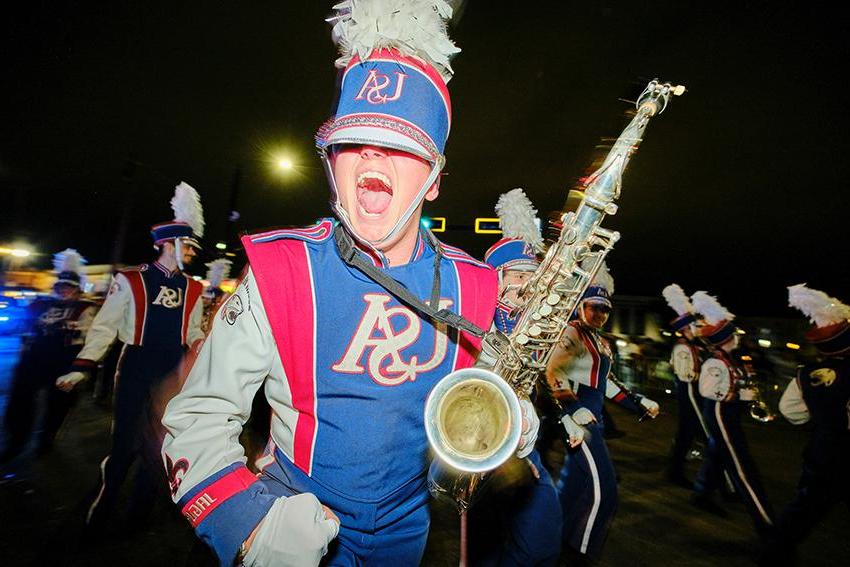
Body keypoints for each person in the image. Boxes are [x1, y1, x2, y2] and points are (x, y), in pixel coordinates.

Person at [160, 4, 537, 566]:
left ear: (433, 178)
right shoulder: (281, 269)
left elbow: (483, 398)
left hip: (408, 533)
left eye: (401, 144)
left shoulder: (475, 285)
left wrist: (510, 415)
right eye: (354, 139)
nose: (373, 153)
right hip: (291, 516)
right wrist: (247, 524)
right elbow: (198, 418)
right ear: (331, 161)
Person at [54, 182, 205, 529]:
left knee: (159, 447)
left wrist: (203, 346)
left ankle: (139, 516)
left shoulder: (194, 288)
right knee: (124, 445)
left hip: (173, 370)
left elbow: (193, 330)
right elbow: (105, 327)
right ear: (169, 244)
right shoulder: (130, 280)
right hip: (135, 364)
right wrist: (82, 368)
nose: (193, 253)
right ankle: (103, 508)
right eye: (189, 247)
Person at [468, 188, 580, 567]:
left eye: (533, 277)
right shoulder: (475, 322)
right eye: (518, 275)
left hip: (525, 444)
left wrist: (563, 417)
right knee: (488, 547)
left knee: (539, 544)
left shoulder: (527, 327)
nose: (527, 285)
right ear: (497, 278)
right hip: (483, 451)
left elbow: (537, 380)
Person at [546, 265, 659, 563]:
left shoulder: (599, 340)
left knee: (573, 488)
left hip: (591, 419)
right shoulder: (571, 332)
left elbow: (604, 383)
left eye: (604, 310)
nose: (599, 314)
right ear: (580, 305)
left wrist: (638, 403)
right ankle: (580, 554)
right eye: (593, 307)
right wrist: (573, 408)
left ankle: (551, 544)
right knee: (604, 490)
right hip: (580, 423)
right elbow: (551, 370)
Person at [765, 284, 850, 563]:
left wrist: (822, 413)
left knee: (805, 506)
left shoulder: (806, 374)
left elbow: (790, 412)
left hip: (825, 451)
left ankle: (776, 551)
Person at [690, 291, 775, 537]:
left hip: (728, 413)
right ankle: (767, 527)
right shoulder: (716, 362)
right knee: (743, 468)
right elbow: (707, 391)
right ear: (726, 338)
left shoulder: (732, 359)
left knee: (718, 453)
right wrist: (738, 396)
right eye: (733, 335)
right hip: (719, 413)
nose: (737, 338)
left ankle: (702, 491)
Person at [1, 250, 97, 464]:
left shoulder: (85, 308)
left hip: (64, 361)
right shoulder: (40, 303)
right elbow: (23, 324)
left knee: (58, 405)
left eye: (69, 287)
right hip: (35, 359)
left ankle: (47, 438)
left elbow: (87, 334)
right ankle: (16, 441)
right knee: (21, 400)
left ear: (77, 289)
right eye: (61, 286)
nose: (64, 290)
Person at [662, 283, 709, 487]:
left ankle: (675, 470)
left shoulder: (694, 346)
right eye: (694, 326)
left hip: (693, 391)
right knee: (689, 432)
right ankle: (675, 471)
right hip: (688, 391)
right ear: (685, 328)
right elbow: (686, 375)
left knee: (687, 433)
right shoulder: (683, 348)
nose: (698, 329)